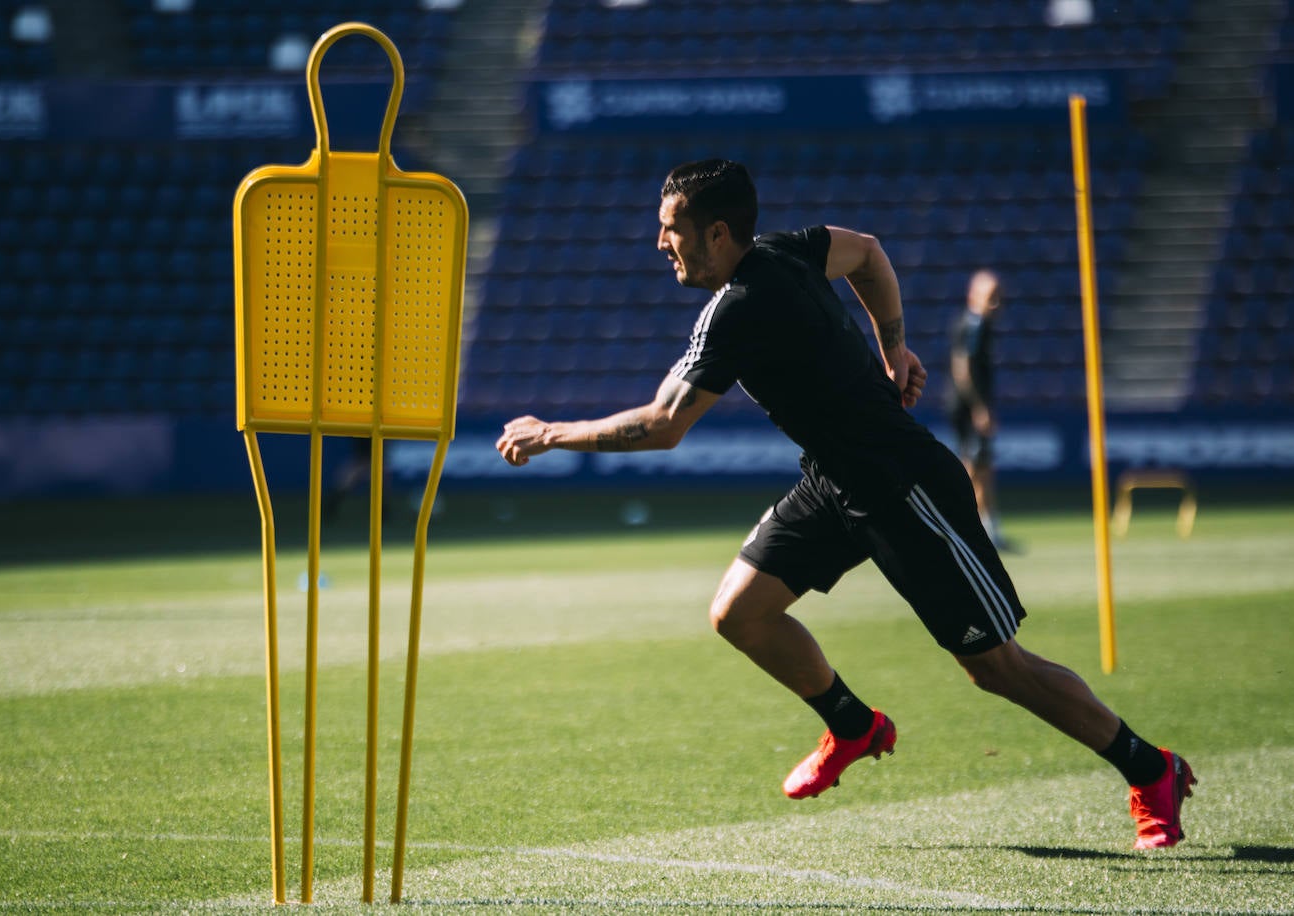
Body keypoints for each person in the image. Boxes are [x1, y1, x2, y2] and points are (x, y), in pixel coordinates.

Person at [495, 159, 1194, 849]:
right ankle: (853, 725)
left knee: (997, 668)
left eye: (670, 228)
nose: (660, 242)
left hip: (905, 488)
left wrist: (550, 433)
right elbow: (868, 253)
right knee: (739, 613)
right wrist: (896, 349)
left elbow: (663, 424)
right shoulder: (786, 251)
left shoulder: (736, 309)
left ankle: (1151, 769)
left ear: (717, 233)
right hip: (835, 481)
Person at [947, 269, 1014, 550]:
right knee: (974, 470)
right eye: (991, 297)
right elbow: (962, 369)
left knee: (982, 467)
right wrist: (979, 407)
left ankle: (989, 529)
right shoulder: (973, 325)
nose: (996, 304)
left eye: (999, 297)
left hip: (970, 407)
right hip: (968, 409)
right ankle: (973, 531)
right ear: (973, 296)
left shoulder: (979, 325)